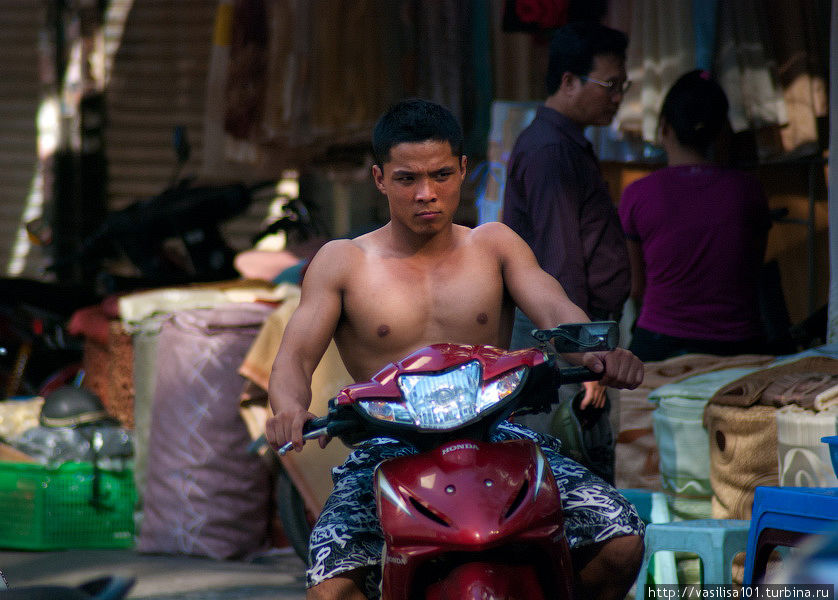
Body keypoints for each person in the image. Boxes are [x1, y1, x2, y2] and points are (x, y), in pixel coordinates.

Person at [265, 99, 645, 600]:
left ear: (464, 169)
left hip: (497, 432)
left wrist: (598, 354)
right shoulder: (343, 261)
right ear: (379, 178)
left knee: (621, 539)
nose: (427, 194)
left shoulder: (494, 245)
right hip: (387, 445)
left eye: (442, 174)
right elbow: (294, 357)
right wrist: (289, 409)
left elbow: (556, 311)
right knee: (331, 591)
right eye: (407, 179)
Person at [501, 21, 632, 476]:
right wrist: (586, 356)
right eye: (609, 85)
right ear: (569, 81)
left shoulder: (562, 143)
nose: (617, 97)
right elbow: (560, 265)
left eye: (622, 86)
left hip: (571, 331)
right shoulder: (551, 150)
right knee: (563, 471)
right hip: (561, 334)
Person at [618, 70, 771, 362]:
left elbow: (636, 288)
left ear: (664, 127)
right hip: (739, 344)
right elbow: (751, 270)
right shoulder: (748, 190)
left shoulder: (638, 193)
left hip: (660, 345)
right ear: (720, 130)